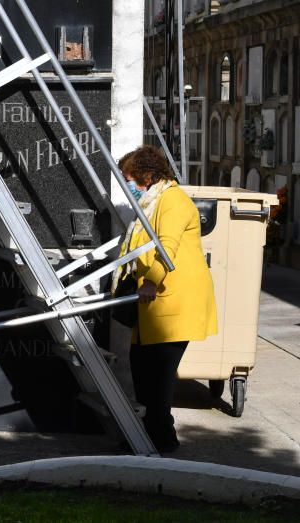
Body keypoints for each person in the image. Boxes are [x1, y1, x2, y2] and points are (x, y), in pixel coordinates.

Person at [112, 145, 217, 453]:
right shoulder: (151, 202)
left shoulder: (172, 202)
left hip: (172, 303)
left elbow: (166, 246)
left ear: (146, 174)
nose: (127, 183)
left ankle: (162, 443)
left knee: (157, 379)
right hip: (153, 307)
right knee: (144, 373)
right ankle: (147, 438)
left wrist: (152, 282)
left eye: (129, 177)